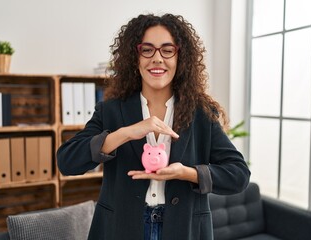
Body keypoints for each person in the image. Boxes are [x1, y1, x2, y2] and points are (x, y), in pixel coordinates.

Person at [57, 13, 250, 240]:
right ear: (134, 57)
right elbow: (67, 162)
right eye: (147, 50)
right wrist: (126, 133)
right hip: (121, 228)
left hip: (184, 229)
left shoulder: (201, 114)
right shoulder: (110, 110)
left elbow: (238, 175)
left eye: (167, 50)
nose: (157, 58)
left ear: (180, 58)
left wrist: (187, 173)